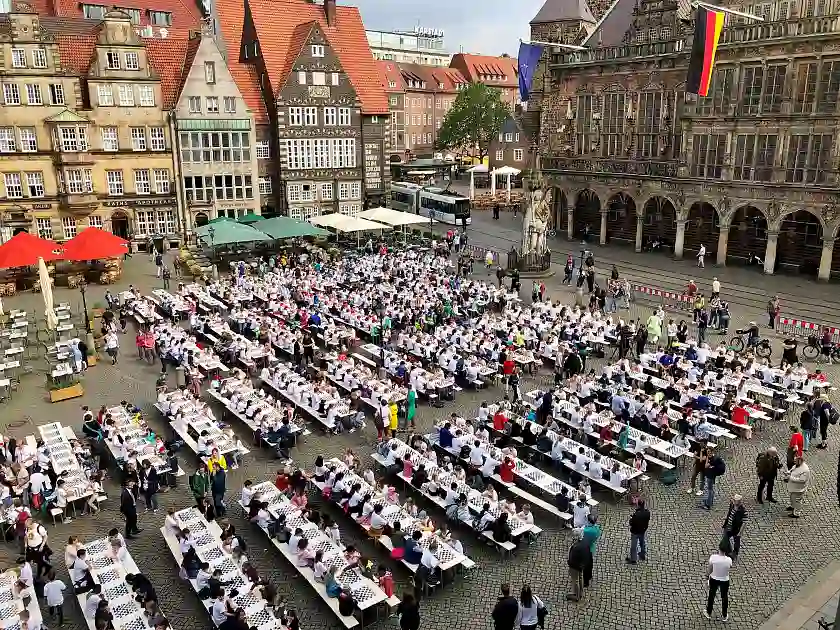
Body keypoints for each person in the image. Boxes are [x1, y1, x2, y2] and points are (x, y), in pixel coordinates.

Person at [704, 542, 732, 621]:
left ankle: (708, 612)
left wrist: (706, 577)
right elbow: (730, 567)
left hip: (714, 579)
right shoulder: (729, 560)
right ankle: (724, 615)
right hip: (725, 580)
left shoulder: (713, 558)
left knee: (711, 596)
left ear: (719, 548)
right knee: (724, 597)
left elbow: (710, 569)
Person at [626, 499, 650, 564]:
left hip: (635, 532)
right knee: (642, 542)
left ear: (638, 505)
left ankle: (633, 560)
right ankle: (642, 554)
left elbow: (631, 523)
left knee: (634, 545)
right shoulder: (647, 512)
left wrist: (631, 519)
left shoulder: (636, 515)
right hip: (642, 530)